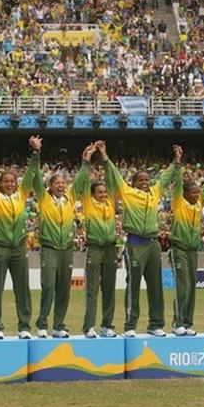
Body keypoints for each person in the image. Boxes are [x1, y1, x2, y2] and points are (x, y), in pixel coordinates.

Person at [100, 141, 177, 337]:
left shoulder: (154, 193)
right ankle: (130, 326)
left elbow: (165, 177)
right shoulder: (128, 193)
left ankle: (156, 324)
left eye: (146, 180)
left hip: (153, 245)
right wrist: (105, 156)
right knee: (133, 285)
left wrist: (176, 161)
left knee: (156, 286)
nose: (144, 182)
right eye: (140, 180)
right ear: (133, 183)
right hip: (135, 244)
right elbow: (116, 176)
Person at [0, 139, 39, 340]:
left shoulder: (21, 196)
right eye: (6, 181)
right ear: (0, 184)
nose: (10, 184)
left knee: (23, 290)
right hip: (0, 249)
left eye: (12, 181)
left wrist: (36, 152)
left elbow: (30, 175)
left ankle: (24, 327)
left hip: (19, 249)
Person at [32, 136, 87, 338]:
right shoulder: (44, 199)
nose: (62, 186)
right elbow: (36, 178)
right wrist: (36, 153)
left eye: (64, 183)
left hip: (67, 250)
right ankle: (42, 324)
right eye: (58, 183)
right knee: (48, 286)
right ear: (50, 186)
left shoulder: (69, 199)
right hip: (49, 249)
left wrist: (85, 162)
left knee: (64, 289)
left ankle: (59, 325)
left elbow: (81, 180)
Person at [169, 145, 204, 336]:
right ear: (186, 194)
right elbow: (179, 184)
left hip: (192, 250)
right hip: (179, 249)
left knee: (192, 288)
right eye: (194, 193)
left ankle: (188, 323)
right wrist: (178, 161)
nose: (197, 195)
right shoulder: (178, 202)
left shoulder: (198, 204)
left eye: (199, 193)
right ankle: (177, 322)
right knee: (183, 286)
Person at [77, 142, 118, 338]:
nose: (103, 194)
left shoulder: (110, 202)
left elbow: (111, 178)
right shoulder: (88, 202)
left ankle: (107, 325)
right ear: (92, 194)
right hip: (94, 249)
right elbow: (83, 182)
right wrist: (87, 160)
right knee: (92, 290)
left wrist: (104, 154)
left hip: (111, 249)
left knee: (109, 289)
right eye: (99, 192)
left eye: (104, 192)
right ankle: (89, 327)